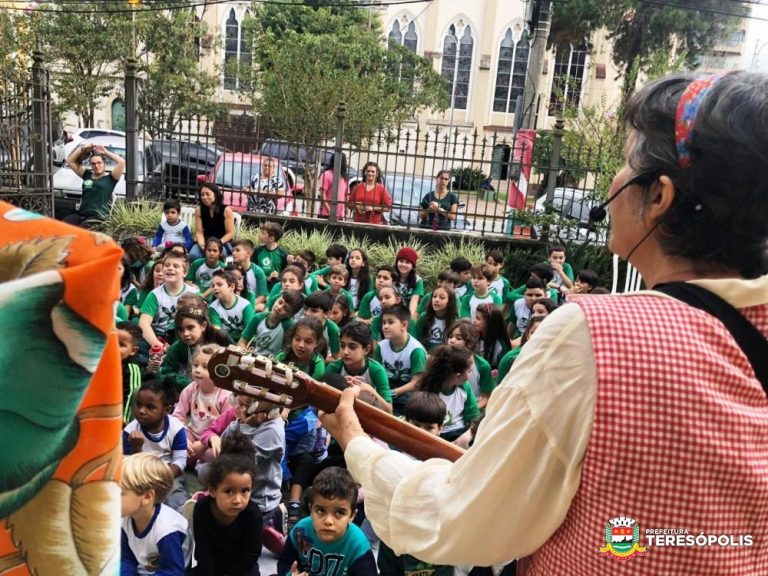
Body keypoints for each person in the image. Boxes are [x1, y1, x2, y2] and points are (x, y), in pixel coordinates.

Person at [320, 71, 768, 573]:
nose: (615, 182)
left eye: (627, 162)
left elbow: (464, 518)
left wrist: (358, 446)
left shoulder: (593, 336)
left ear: (659, 197)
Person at [277, 467, 378, 576]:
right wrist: (290, 574)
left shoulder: (357, 544)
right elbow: (284, 563)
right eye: (321, 511)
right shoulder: (300, 531)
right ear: (311, 510)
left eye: (339, 512)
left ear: (352, 515)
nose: (328, 521)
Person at [190, 430, 262, 576]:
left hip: (242, 571)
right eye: (229, 491)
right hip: (210, 569)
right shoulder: (202, 509)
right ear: (212, 490)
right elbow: (203, 552)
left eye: (245, 491)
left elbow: (250, 556)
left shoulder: (253, 513)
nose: (238, 500)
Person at [121, 453, 190, 576]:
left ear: (147, 497)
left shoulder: (167, 530)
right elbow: (126, 558)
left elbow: (173, 572)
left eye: (120, 493)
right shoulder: (126, 518)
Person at [63, 142, 125, 227]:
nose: (96, 166)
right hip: (81, 215)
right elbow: (70, 161)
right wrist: (83, 149)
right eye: (93, 164)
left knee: (80, 230)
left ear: (104, 163)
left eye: (99, 163)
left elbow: (122, 162)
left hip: (98, 217)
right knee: (61, 226)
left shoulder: (111, 178)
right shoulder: (87, 175)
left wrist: (106, 152)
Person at [191, 183, 236, 260]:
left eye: (207, 194)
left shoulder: (226, 210)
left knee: (220, 256)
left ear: (215, 195)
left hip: (222, 241)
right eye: (202, 195)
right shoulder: (199, 210)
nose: (204, 197)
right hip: (205, 240)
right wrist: (202, 245)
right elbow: (199, 232)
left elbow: (230, 233)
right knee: (193, 255)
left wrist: (217, 244)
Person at [318, 152, 349, 220]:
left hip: (340, 216)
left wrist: (346, 211)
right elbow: (322, 194)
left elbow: (346, 196)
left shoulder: (344, 177)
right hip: (325, 214)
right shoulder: (326, 174)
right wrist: (329, 211)